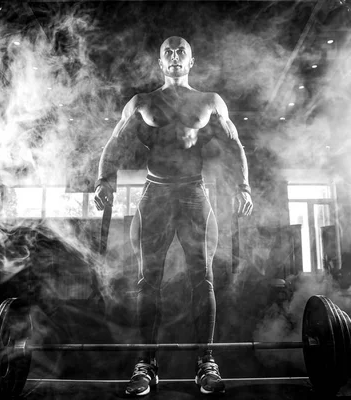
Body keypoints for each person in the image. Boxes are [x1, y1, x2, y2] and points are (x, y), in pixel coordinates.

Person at [94, 36, 253, 396]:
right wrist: (103, 180)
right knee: (147, 280)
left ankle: (206, 362)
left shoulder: (209, 102)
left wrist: (244, 186)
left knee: (204, 277)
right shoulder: (142, 103)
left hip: (194, 193)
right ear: (160, 62)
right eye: (169, 51)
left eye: (182, 51)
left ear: (192, 61)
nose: (175, 56)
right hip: (156, 193)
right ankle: (146, 365)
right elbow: (114, 143)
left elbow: (234, 144)